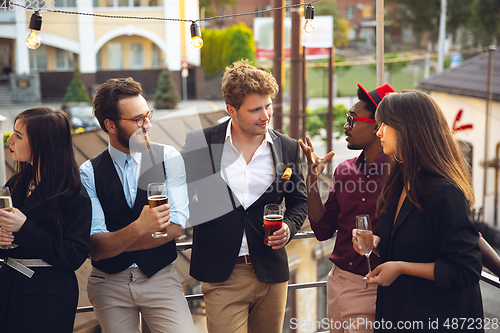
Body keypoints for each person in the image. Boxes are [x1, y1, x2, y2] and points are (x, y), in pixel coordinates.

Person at [181, 60, 308, 333]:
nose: (265, 115)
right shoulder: (200, 143)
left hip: (271, 274)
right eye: (255, 110)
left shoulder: (287, 147)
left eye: (268, 106)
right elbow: (181, 197)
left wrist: (289, 226)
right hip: (222, 274)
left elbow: (300, 201)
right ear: (231, 110)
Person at [354, 90, 483, 332]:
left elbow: (466, 268)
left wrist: (401, 267)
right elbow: (411, 245)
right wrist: (377, 243)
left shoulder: (445, 191)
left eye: (384, 125)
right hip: (400, 313)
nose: (378, 132)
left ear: (407, 128)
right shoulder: (400, 179)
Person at [80, 77, 195, 333]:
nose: (148, 124)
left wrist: (115, 243)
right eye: (138, 119)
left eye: (148, 115)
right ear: (110, 125)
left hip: (160, 277)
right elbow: (96, 246)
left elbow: (176, 227)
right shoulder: (88, 173)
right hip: (108, 284)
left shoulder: (169, 158)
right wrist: (140, 227)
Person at [299, 83, 395, 333]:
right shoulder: (344, 170)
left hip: (373, 286)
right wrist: (311, 179)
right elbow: (323, 230)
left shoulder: (400, 175)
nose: (346, 125)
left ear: (378, 126)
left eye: (352, 119)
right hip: (336, 281)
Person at [0, 107, 91, 333]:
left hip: (47, 299)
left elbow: (73, 256)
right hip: (8, 289)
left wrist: (24, 227)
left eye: (19, 136)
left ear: (43, 143)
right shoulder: (16, 183)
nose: (10, 140)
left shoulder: (74, 194)